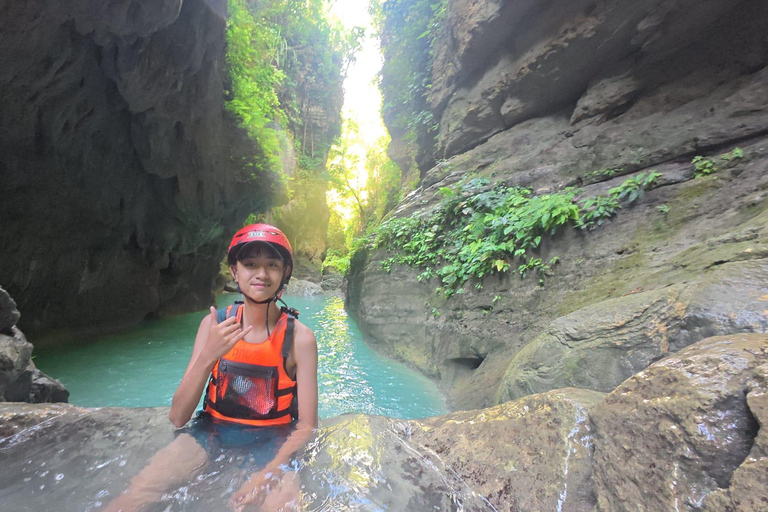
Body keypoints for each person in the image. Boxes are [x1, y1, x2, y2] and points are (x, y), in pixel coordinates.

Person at [106, 223, 318, 512]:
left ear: (285, 273)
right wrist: (209, 354)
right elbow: (178, 417)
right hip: (213, 432)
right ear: (234, 270)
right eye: (250, 264)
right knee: (138, 493)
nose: (261, 274)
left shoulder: (300, 339)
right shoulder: (213, 325)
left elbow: (306, 426)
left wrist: (268, 475)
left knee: (283, 506)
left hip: (274, 440)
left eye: (272, 265)